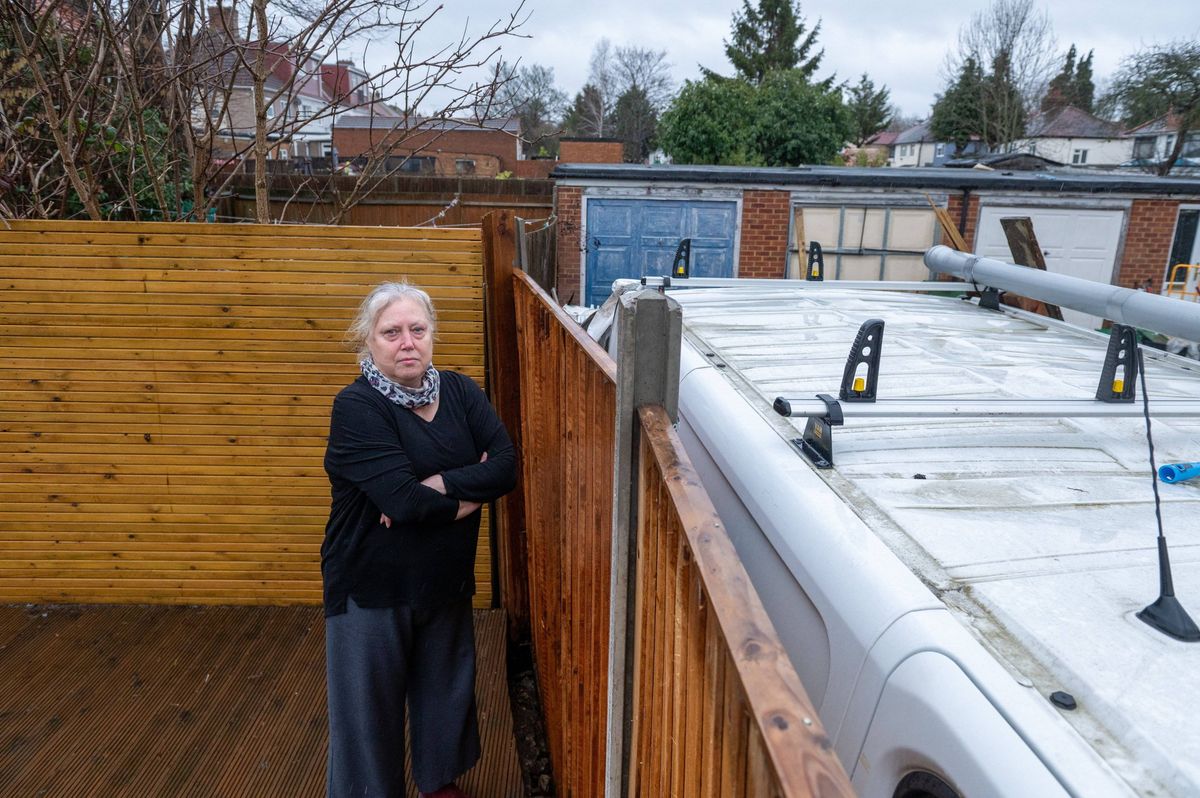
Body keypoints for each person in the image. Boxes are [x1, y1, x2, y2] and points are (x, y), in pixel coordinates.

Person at [322, 282, 516, 798]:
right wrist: (471, 492)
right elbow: (402, 502)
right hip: (371, 585)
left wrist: (442, 485)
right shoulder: (357, 407)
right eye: (391, 332)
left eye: (417, 329)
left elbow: (506, 466)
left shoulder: (460, 392)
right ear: (369, 340)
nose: (406, 342)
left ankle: (440, 785)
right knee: (368, 711)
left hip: (443, 577)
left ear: (431, 335)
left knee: (444, 693)